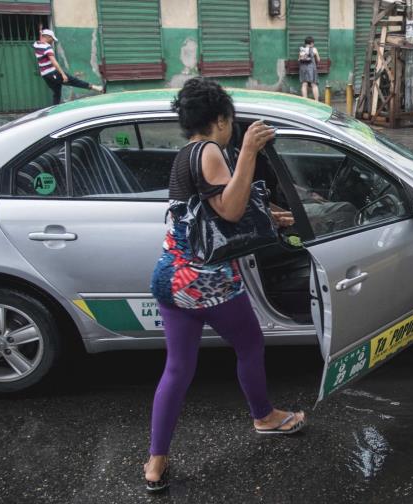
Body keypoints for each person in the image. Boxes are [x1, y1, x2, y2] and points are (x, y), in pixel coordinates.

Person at [145, 78, 304, 493]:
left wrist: (268, 212)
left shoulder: (185, 155)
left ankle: (156, 461)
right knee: (250, 346)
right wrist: (250, 150)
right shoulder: (213, 149)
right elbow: (230, 211)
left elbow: (213, 207)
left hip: (171, 276)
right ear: (220, 119)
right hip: (207, 280)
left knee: (177, 368)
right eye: (230, 121)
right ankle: (264, 416)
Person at [34, 28, 103, 105]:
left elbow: (41, 38)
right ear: (48, 37)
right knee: (74, 81)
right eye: (52, 39)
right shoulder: (47, 47)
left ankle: (54, 110)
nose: (52, 41)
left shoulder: (37, 45)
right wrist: (63, 74)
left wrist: (41, 33)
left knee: (57, 93)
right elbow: (54, 62)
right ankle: (97, 88)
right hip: (52, 73)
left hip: (45, 75)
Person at [298, 36, 321, 101]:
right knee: (313, 84)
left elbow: (299, 59)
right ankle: (316, 101)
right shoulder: (314, 49)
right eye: (313, 43)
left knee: (304, 84)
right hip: (311, 68)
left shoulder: (302, 50)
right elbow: (318, 60)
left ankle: (305, 101)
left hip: (303, 68)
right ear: (311, 43)